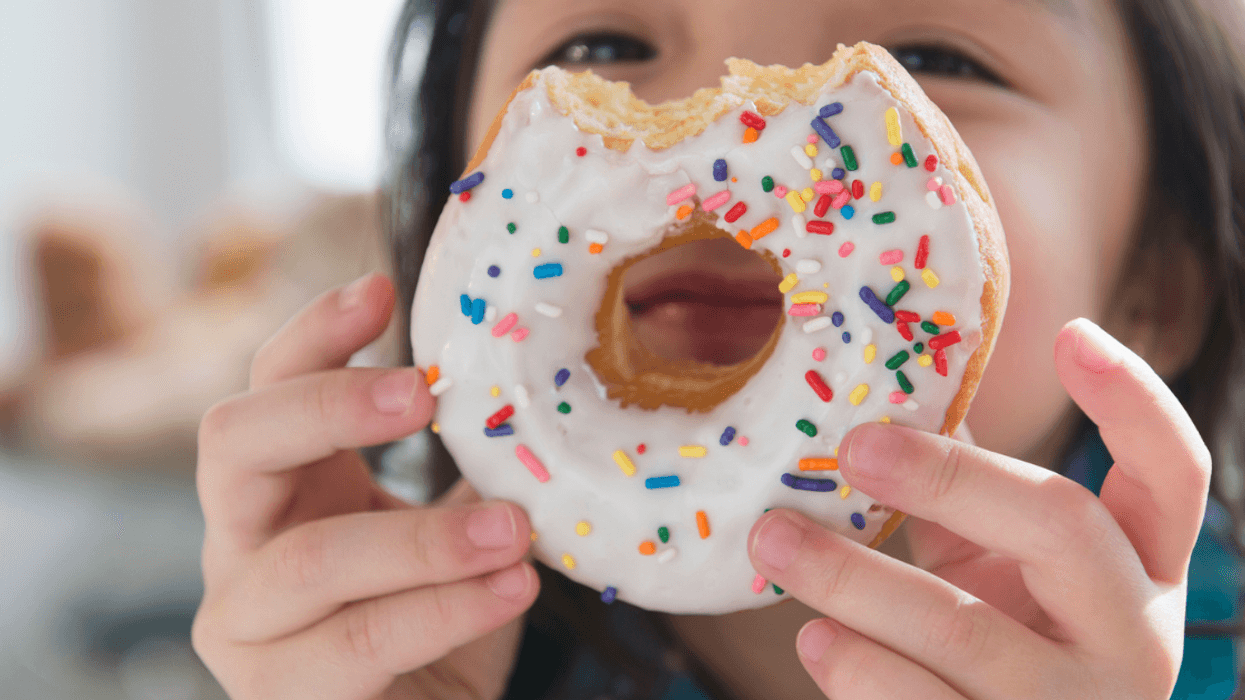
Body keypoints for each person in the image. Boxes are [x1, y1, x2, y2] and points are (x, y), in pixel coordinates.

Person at [190, 0, 1245, 697]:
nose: (745, 110)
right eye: (603, 46)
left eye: (928, 61)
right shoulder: (436, 649)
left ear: (1159, 291)